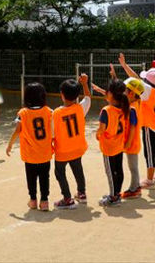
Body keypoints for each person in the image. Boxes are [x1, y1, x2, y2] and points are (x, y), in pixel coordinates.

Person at [118, 53, 155, 188]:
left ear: (149, 81)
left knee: (149, 154)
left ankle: (150, 180)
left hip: (149, 127)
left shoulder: (148, 90)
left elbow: (134, 79)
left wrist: (124, 65)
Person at [6, 83, 52, 211]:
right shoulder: (48, 111)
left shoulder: (23, 113)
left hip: (30, 153)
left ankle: (33, 200)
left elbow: (17, 131)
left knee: (31, 178)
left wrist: (10, 145)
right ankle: (44, 201)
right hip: (45, 152)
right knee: (44, 177)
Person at [52, 74, 91, 209]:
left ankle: (67, 198)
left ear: (62, 95)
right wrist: (85, 83)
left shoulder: (56, 113)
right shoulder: (80, 108)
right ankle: (81, 193)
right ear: (76, 95)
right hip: (78, 147)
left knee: (59, 173)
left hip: (63, 150)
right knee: (77, 169)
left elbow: (52, 133)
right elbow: (88, 98)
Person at [96, 79, 129, 207]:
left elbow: (102, 129)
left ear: (110, 94)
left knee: (110, 172)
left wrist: (97, 134)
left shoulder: (107, 110)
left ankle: (113, 197)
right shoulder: (124, 107)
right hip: (119, 145)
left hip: (109, 147)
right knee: (118, 170)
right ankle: (117, 193)